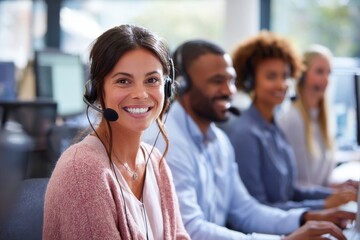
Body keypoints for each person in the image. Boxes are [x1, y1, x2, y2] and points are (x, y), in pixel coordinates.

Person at [144, 39, 355, 240]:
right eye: (217, 81)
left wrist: (305, 217)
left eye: (231, 81)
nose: (230, 91)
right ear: (180, 86)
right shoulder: (167, 142)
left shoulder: (218, 140)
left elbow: (244, 209)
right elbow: (191, 229)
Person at [43, 24, 190, 240]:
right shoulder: (82, 171)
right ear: (97, 91)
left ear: (167, 88)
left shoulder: (155, 161)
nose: (140, 94)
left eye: (152, 80)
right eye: (123, 81)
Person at [222, 31, 356, 211]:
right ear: (250, 81)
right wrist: (321, 206)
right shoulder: (246, 133)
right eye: (271, 76)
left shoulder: (273, 125)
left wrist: (335, 196)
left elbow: (290, 191)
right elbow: (256, 208)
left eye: (285, 76)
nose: (282, 84)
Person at [278, 44, 359, 190]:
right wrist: (330, 195)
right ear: (302, 75)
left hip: (320, 199)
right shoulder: (292, 118)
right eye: (319, 72)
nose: (326, 79)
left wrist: (341, 186)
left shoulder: (325, 117)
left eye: (329, 73)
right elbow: (298, 183)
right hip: (308, 205)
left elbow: (321, 181)